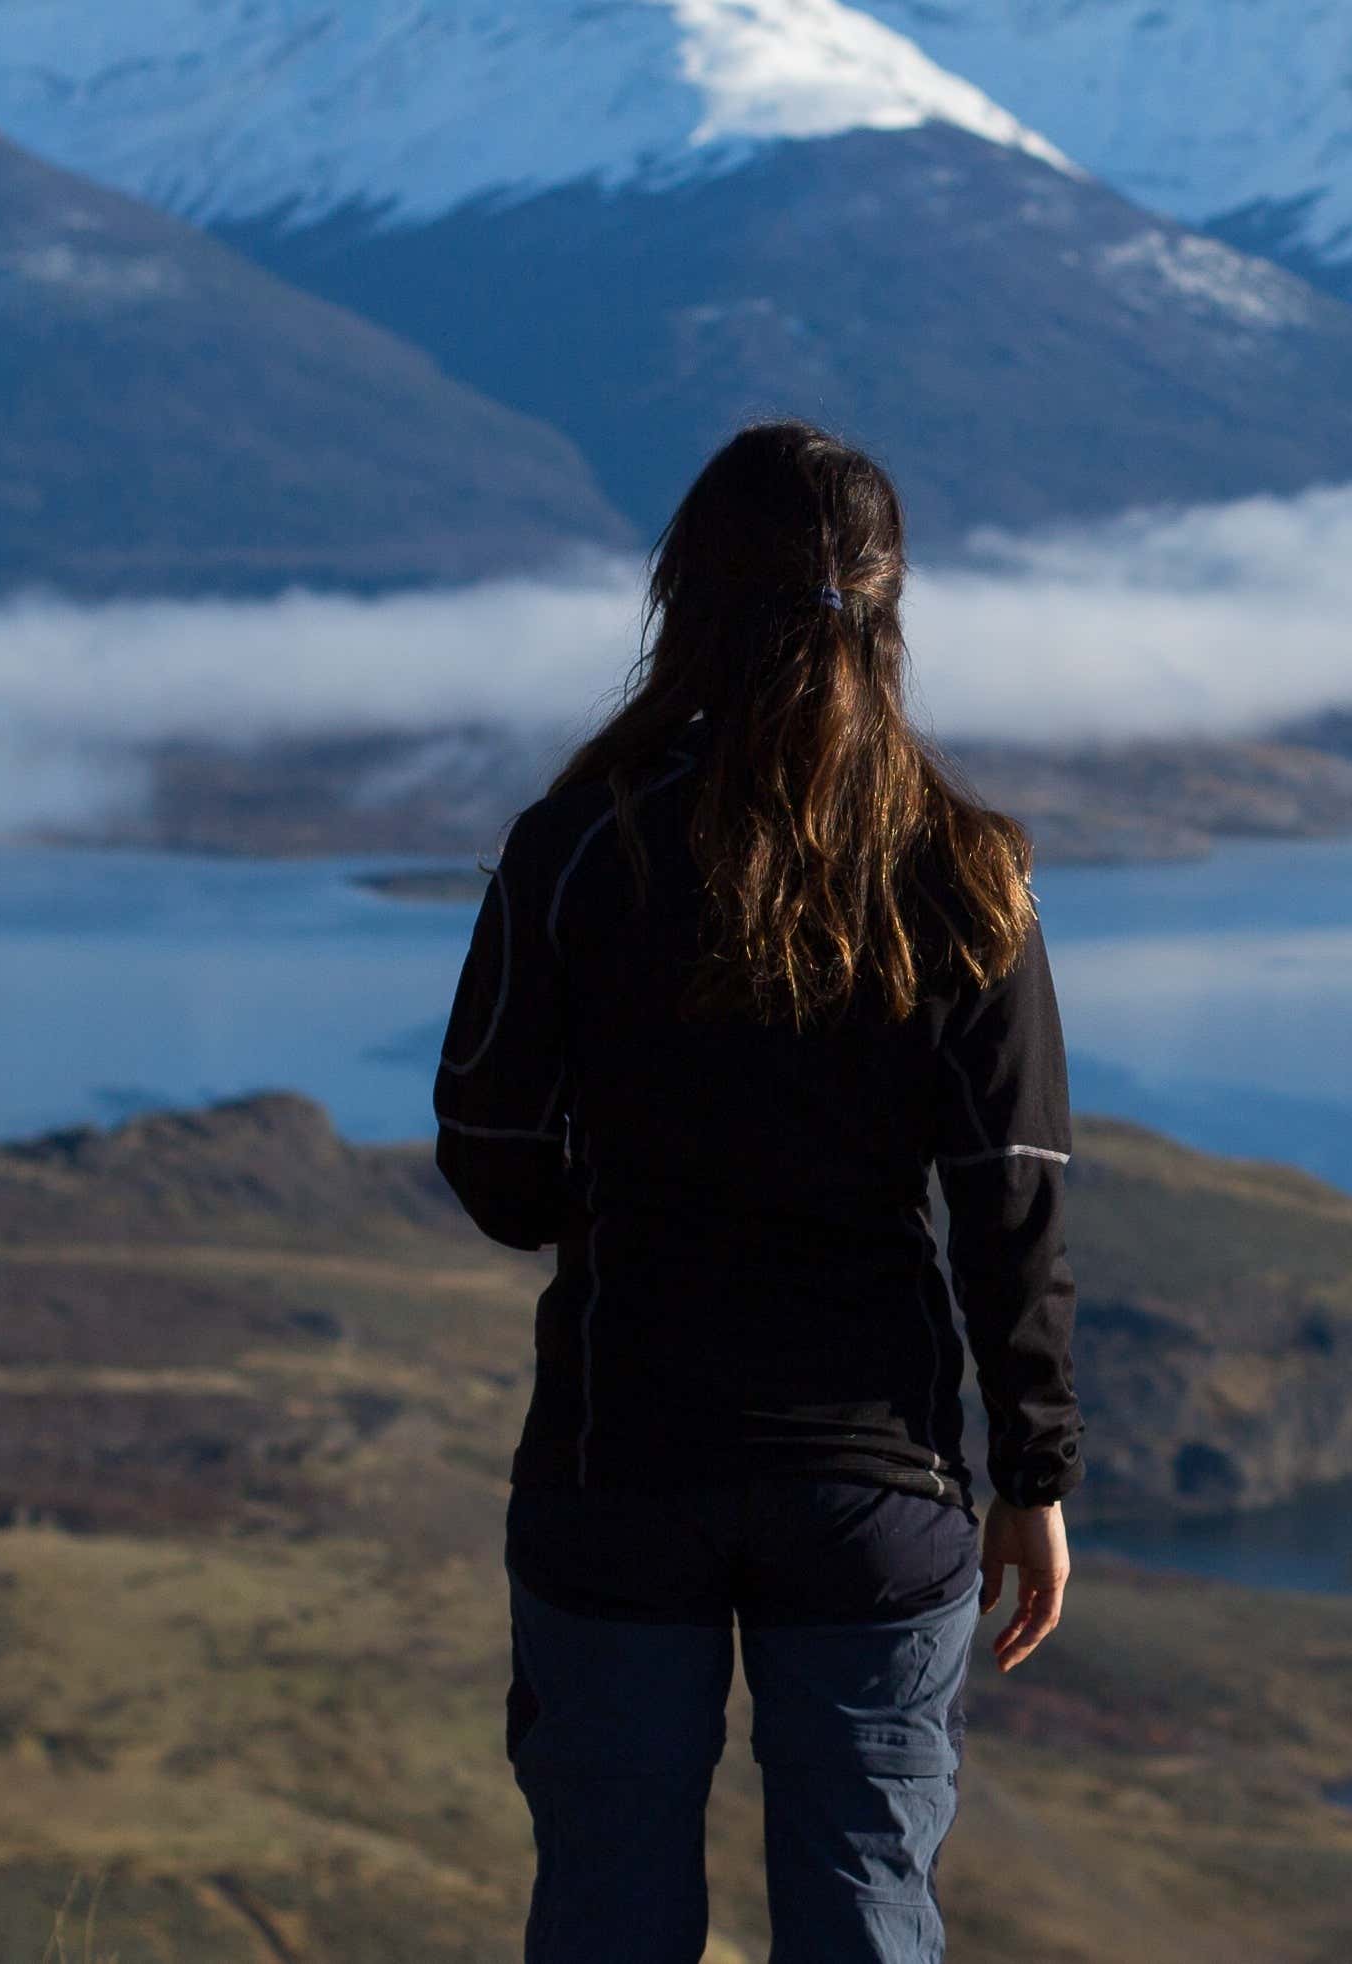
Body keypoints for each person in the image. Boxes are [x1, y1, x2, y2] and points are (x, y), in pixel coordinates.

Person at [431, 421, 1078, 1964]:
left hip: (620, 1456)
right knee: (865, 1905)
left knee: (610, 1910)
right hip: (878, 1485)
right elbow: (1010, 1205)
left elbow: (492, 1157)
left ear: (686, 599)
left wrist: (627, 1200)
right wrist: (1035, 1472)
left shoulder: (577, 847)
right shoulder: (965, 872)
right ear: (889, 607)